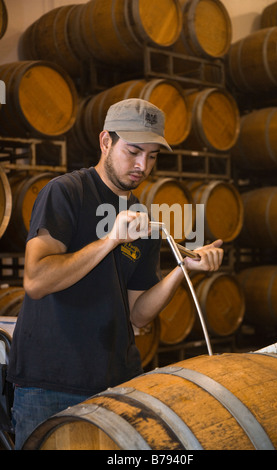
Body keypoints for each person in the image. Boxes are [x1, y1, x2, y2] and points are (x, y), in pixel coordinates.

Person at [7, 98, 223, 449]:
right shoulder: (66, 193)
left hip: (114, 382)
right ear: (106, 141)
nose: (143, 165)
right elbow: (36, 281)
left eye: (152, 156)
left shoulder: (142, 218)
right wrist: (110, 240)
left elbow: (138, 313)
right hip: (49, 382)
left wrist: (184, 270)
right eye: (134, 151)